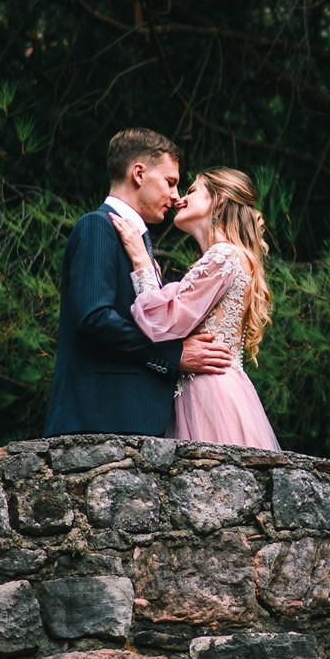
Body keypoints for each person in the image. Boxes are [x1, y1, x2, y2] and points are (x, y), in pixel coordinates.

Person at [43, 129, 232, 437]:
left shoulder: (138, 244)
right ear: (139, 173)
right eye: (170, 182)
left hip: (133, 426)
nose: (175, 195)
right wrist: (175, 355)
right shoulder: (97, 227)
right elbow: (96, 318)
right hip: (98, 421)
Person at [110, 166, 281, 449]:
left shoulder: (223, 255)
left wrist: (141, 264)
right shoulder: (228, 257)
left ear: (220, 200)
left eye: (191, 190)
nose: (180, 199)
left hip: (210, 393)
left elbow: (162, 323)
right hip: (216, 388)